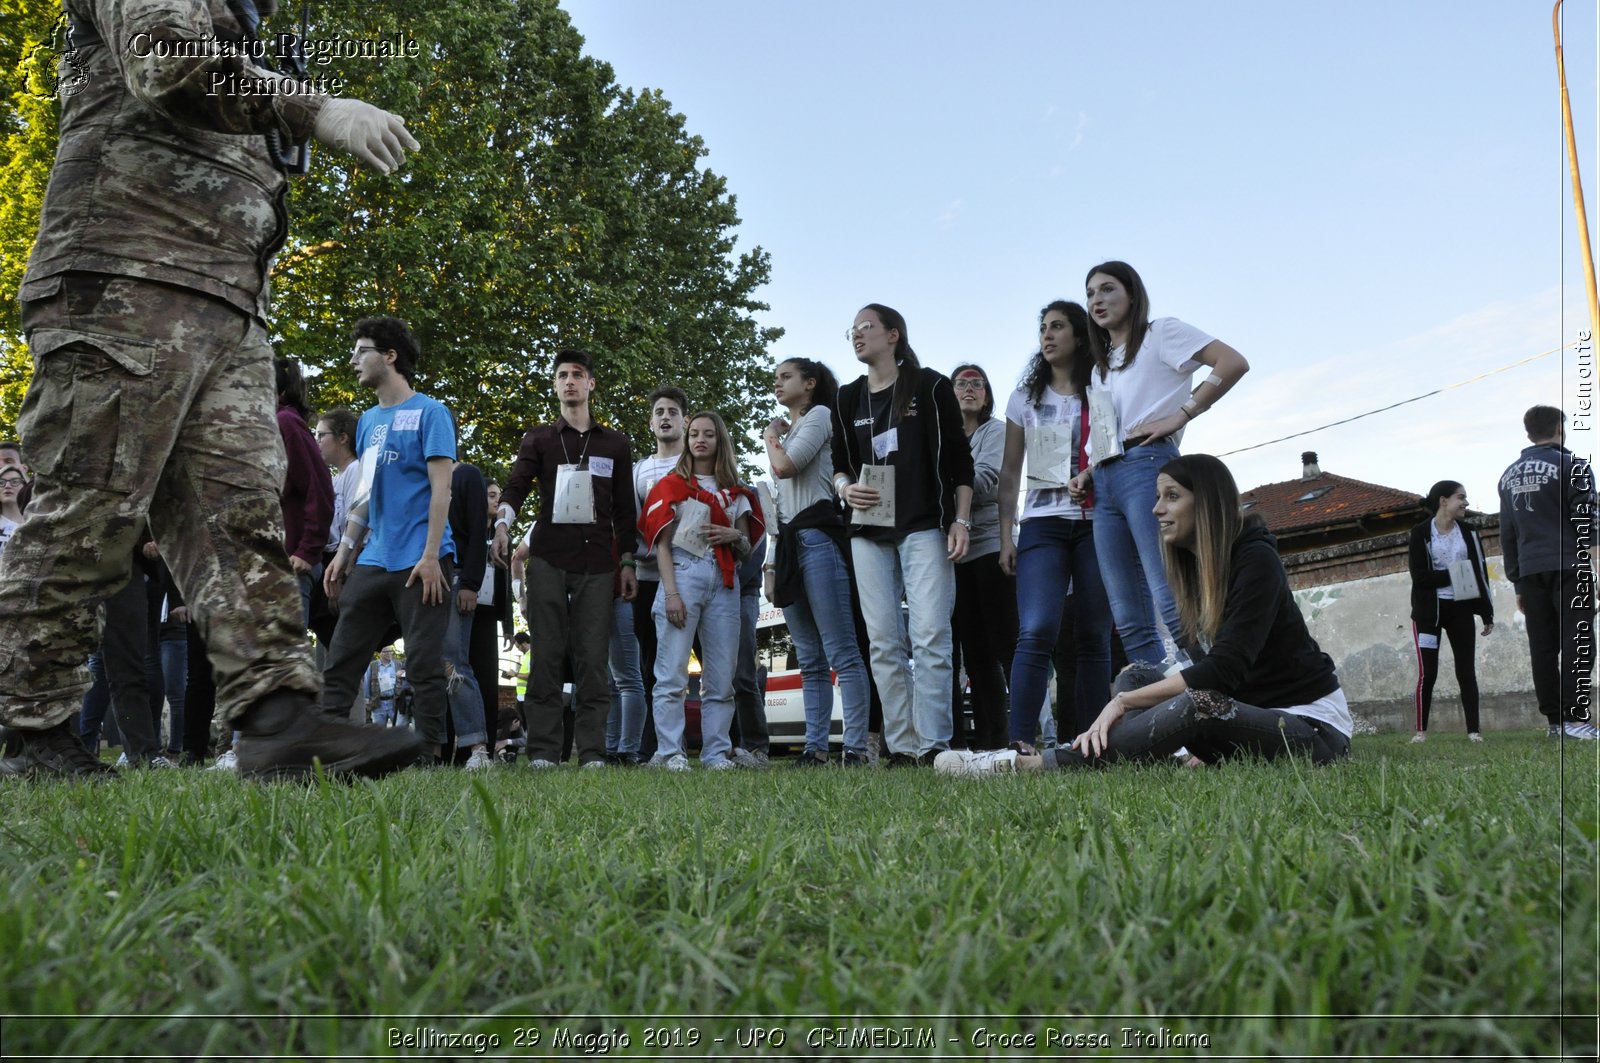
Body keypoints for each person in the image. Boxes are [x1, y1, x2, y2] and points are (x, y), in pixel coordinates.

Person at [0, 0, 422, 778]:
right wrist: (316, 108)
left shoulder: (243, 18)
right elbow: (165, 58)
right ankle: (31, 733)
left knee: (239, 518)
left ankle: (279, 719)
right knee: (86, 508)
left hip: (228, 300)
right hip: (126, 275)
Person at [938, 454, 1352, 775]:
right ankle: (1153, 754)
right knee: (1137, 674)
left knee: (1189, 702)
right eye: (1158, 496)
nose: (1156, 509)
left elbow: (1224, 671)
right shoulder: (1193, 567)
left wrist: (1122, 703)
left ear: (1206, 502)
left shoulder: (1255, 557)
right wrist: (1131, 693)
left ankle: (1035, 764)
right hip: (1243, 711)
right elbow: (1211, 672)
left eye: (1172, 496)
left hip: (1310, 727)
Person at [1070, 262, 1249, 667]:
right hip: (1106, 477)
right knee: (1128, 613)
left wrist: (1183, 413)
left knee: (1168, 591)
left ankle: (1215, 685)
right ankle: (1163, 707)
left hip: (1148, 466)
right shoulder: (1100, 367)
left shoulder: (1160, 333)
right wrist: (1085, 472)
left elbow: (1232, 362)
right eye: (1091, 293)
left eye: (1107, 289)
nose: (1097, 300)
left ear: (1132, 294)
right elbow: (1105, 430)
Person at [831, 304, 975, 765]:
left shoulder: (930, 386)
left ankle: (935, 745)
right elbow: (838, 464)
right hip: (866, 530)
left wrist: (961, 520)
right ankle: (904, 748)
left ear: (893, 335)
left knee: (931, 632)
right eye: (851, 330)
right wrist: (844, 488)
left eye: (866, 327)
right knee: (883, 641)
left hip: (923, 525)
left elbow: (959, 461)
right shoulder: (846, 398)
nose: (857, 335)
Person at [320, 316, 456, 764]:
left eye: (362, 350)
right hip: (374, 559)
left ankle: (427, 754)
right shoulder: (366, 424)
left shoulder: (432, 412)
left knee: (421, 663)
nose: (354, 360)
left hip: (422, 559)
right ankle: (327, 752)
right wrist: (344, 553)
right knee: (340, 659)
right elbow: (365, 498)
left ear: (390, 356)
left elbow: (442, 490)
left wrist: (432, 555)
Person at [494, 350, 637, 769]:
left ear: (591, 384)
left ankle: (592, 752)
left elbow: (626, 511)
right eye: (562, 375)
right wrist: (502, 525)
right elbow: (517, 485)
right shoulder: (538, 438)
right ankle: (543, 752)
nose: (570, 381)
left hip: (598, 563)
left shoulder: (615, 443)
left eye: (578, 375)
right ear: (555, 385)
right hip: (548, 559)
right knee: (546, 657)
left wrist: (628, 561)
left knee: (594, 659)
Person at [998, 301, 1113, 745]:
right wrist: (1009, 534)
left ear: (1080, 337)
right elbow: (1009, 473)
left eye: (1058, 327)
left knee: (1093, 633)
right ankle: (1019, 743)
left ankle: (1091, 743)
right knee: (1037, 628)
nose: (1047, 336)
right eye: (1043, 328)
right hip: (1042, 525)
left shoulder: (1102, 388)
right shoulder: (1023, 398)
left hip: (1096, 522)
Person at [761, 357, 871, 766]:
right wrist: (771, 566)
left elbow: (785, 468)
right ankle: (815, 748)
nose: (778, 382)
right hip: (790, 543)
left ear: (809, 384)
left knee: (842, 650)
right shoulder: (793, 432)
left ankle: (856, 747)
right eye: (776, 377)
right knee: (808, 657)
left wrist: (772, 435)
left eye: (786, 376)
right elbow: (780, 509)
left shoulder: (820, 415)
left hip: (819, 540)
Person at [640, 412, 762, 770]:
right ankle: (670, 751)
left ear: (720, 440)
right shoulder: (670, 485)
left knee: (721, 676)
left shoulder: (735, 492)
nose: (700, 440)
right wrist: (672, 593)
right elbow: (661, 544)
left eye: (709, 434)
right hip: (681, 572)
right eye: (694, 433)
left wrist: (735, 536)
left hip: (724, 579)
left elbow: (745, 549)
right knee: (671, 671)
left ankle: (715, 753)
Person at [1498, 406, 1598, 740]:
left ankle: (1555, 723)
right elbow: (1590, 526)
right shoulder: (1574, 466)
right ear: (1559, 428)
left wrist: (1516, 582)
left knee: (1542, 647)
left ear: (1528, 434)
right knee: (1577, 639)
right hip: (1570, 565)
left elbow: (1507, 533)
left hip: (1530, 571)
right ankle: (1575, 720)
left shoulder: (1508, 476)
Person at [948, 362, 1015, 749]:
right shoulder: (941, 435)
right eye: (961, 383)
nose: (969, 389)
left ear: (987, 394)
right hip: (950, 555)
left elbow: (986, 478)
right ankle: (961, 741)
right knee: (962, 652)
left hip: (989, 545)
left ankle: (1007, 737)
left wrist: (940, 480)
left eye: (977, 384)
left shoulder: (995, 431)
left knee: (1000, 647)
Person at [1407, 480, 1493, 742]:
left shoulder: (1469, 532)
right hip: (1428, 614)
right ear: (1443, 501)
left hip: (1460, 610)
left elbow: (1479, 572)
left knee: (1466, 671)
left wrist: (1486, 613)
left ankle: (1474, 732)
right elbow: (1420, 577)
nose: (1465, 503)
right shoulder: (1421, 533)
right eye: (1461, 497)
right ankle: (1420, 732)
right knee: (1428, 673)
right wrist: (1456, 575)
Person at [632, 385, 689, 761]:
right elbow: (632, 519)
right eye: (659, 412)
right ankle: (657, 746)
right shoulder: (639, 469)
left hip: (694, 573)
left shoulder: (697, 462)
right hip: (648, 578)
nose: (665, 417)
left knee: (711, 664)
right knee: (652, 665)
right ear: (651, 422)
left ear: (686, 420)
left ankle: (729, 744)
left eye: (672, 411)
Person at [275, 358, 334, 628]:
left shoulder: (286, 422)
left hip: (289, 567)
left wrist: (307, 551)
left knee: (284, 663)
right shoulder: (256, 427)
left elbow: (319, 488)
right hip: (258, 569)